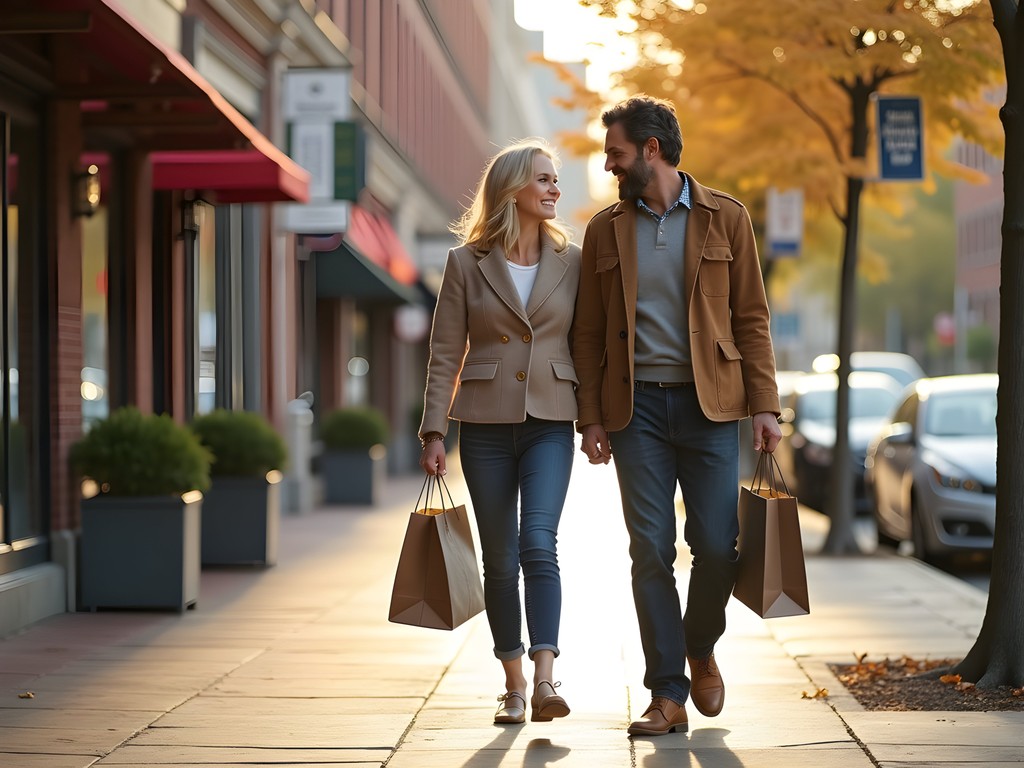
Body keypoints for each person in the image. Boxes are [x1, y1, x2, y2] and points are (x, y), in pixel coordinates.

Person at [572, 95, 782, 737]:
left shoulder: (727, 217)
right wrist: (592, 418)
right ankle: (666, 692)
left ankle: (699, 643)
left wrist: (765, 405)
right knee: (650, 550)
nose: (609, 165)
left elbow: (751, 318)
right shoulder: (605, 229)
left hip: (711, 406)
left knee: (718, 546)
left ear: (651, 150)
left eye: (616, 153)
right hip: (635, 413)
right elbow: (587, 333)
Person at [419, 138, 581, 726]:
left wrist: (593, 423)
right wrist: (434, 431)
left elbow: (583, 344)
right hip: (483, 426)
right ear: (513, 188)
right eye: (544, 180)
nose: (554, 189)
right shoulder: (466, 263)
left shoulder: (573, 260)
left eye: (556, 180)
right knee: (499, 557)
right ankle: (511, 681)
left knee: (539, 541)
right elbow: (444, 351)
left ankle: (545, 679)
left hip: (550, 422)